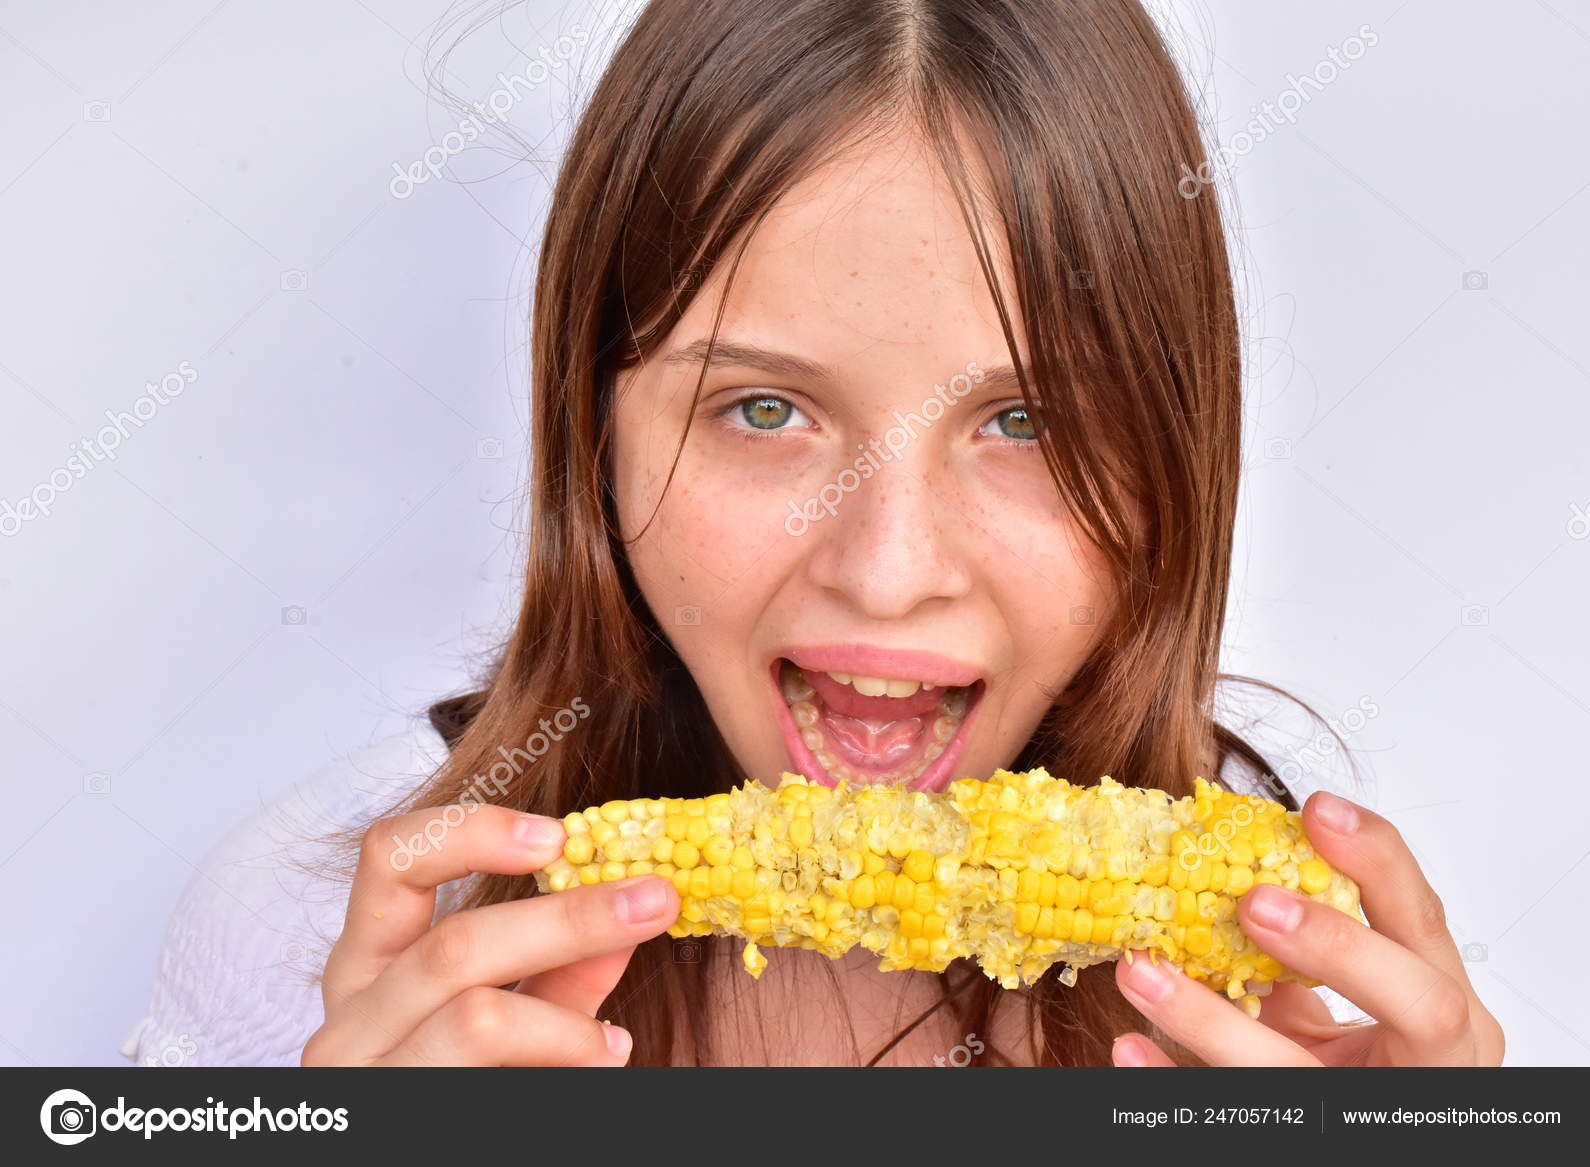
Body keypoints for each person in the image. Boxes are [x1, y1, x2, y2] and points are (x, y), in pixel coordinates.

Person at [129, 0, 1504, 1068]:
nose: (889, 568)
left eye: (1025, 423)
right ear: (589, 428)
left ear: (1176, 458)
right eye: (766, 407)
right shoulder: (318, 929)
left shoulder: (1282, 1004)